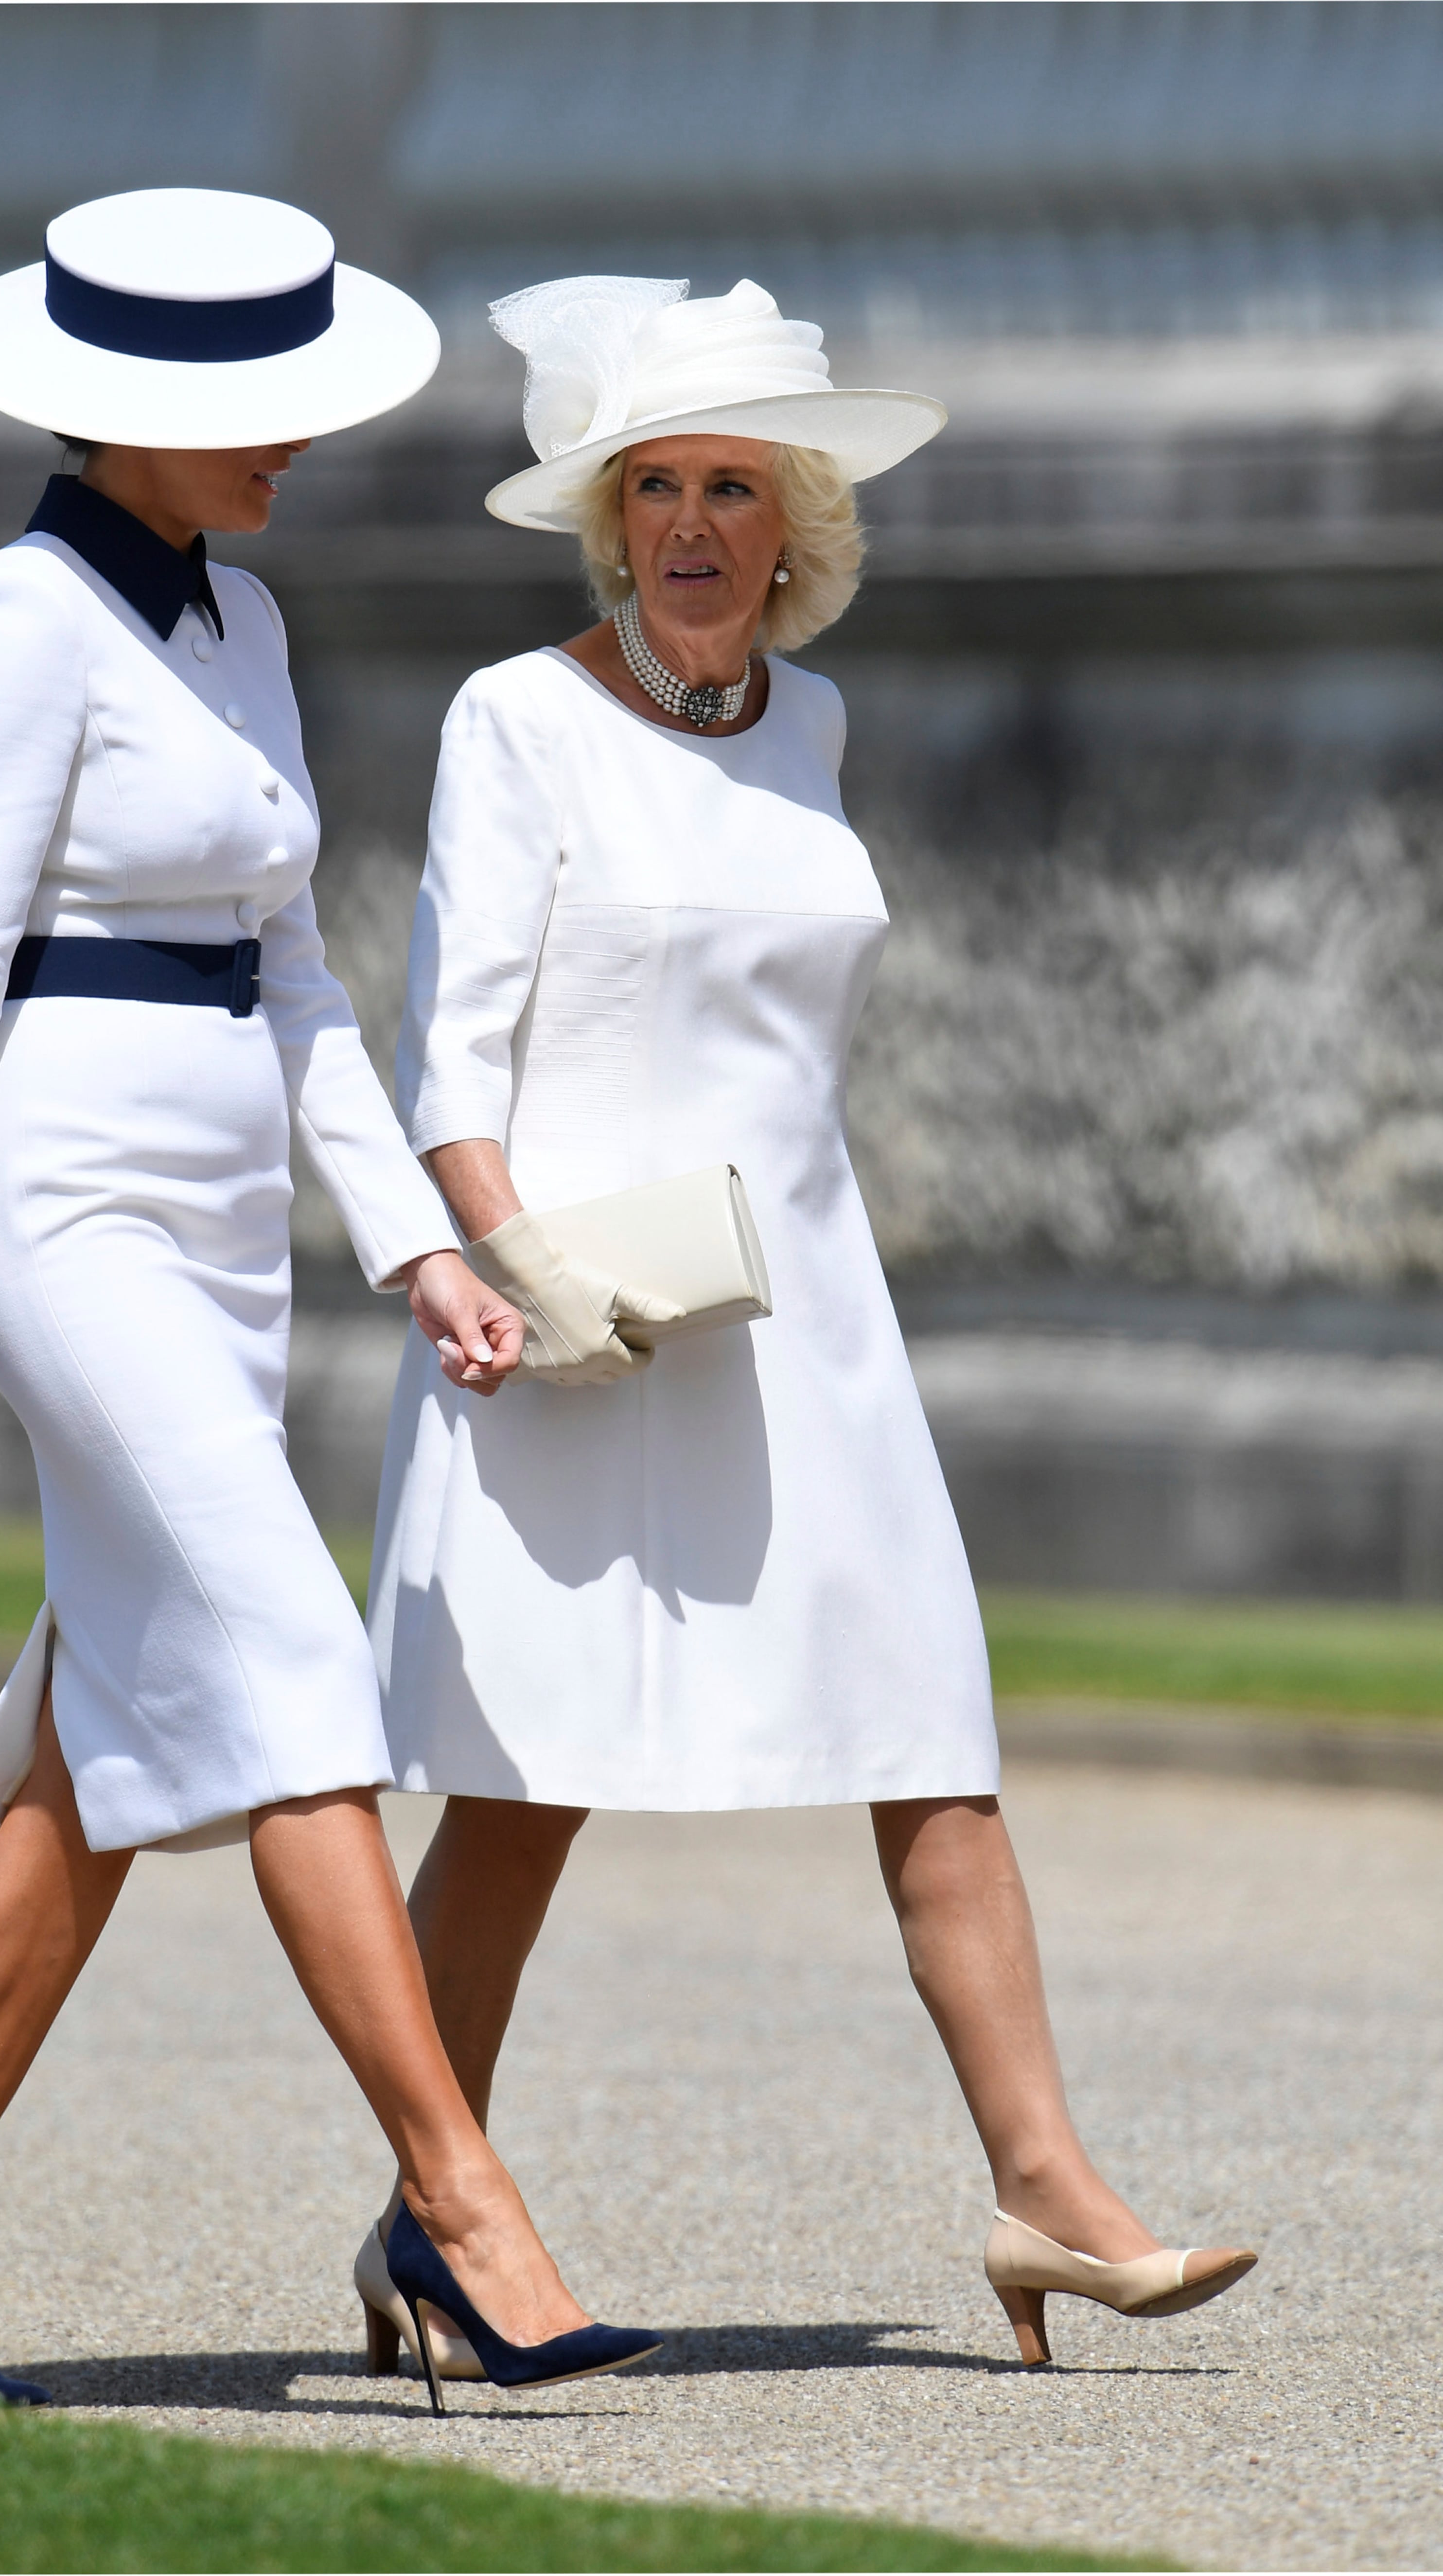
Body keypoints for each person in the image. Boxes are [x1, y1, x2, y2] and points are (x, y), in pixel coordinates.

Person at [363, 275, 1257, 2372]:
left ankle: (1050, 2191)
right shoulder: (515, 717)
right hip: (578, 1320)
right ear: (611, 518)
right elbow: (446, 1067)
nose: (689, 524)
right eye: (653, 485)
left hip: (810, 1310)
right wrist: (521, 1261)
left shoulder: (821, 726)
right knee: (522, 1784)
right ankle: (435, 2209)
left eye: (731, 487)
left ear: (797, 525)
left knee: (930, 1732)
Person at [0, 195, 656, 2412]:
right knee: (294, 1663)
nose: (291, 442)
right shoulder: (19, 616)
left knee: (110, 1749)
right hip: (59, 1200)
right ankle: (464, 2203)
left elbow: (296, 975)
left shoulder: (247, 621)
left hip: (216, 1225)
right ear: (126, 416)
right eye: (248, 411)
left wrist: (415, 1242)